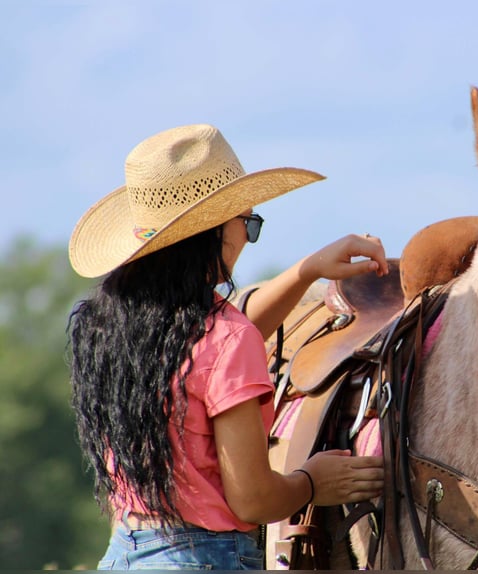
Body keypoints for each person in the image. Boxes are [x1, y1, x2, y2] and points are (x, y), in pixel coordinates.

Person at [67, 124, 387, 570]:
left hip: (124, 554)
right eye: (248, 223)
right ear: (214, 232)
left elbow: (206, 360)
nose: (247, 239)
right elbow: (254, 499)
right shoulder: (224, 337)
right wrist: (312, 482)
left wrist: (307, 271)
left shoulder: (107, 327)